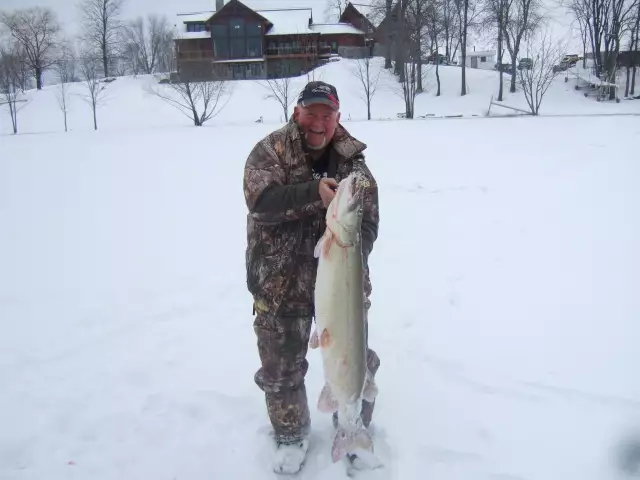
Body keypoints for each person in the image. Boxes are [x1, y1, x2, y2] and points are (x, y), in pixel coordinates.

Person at [242, 81, 380, 474]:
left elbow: (368, 220)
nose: (318, 122)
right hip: (280, 282)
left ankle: (352, 426)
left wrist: (353, 249)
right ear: (297, 112)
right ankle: (290, 436)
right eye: (311, 113)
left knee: (356, 358)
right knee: (281, 369)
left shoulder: (354, 165)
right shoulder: (270, 150)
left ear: (338, 118)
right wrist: (310, 193)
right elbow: (260, 203)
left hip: (341, 289)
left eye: (327, 114)